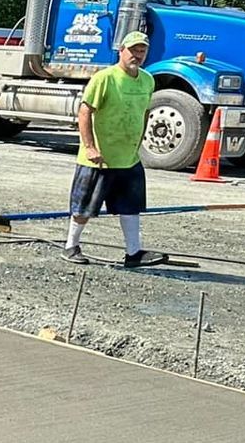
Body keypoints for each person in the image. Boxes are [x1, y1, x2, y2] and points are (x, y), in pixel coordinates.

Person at [64, 30, 168, 268]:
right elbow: (85, 111)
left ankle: (133, 253)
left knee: (131, 207)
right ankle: (70, 246)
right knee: (85, 206)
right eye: (133, 50)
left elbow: (144, 113)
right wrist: (90, 147)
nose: (138, 55)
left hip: (128, 157)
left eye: (142, 51)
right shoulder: (105, 78)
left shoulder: (147, 80)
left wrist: (138, 142)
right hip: (100, 158)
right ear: (121, 51)